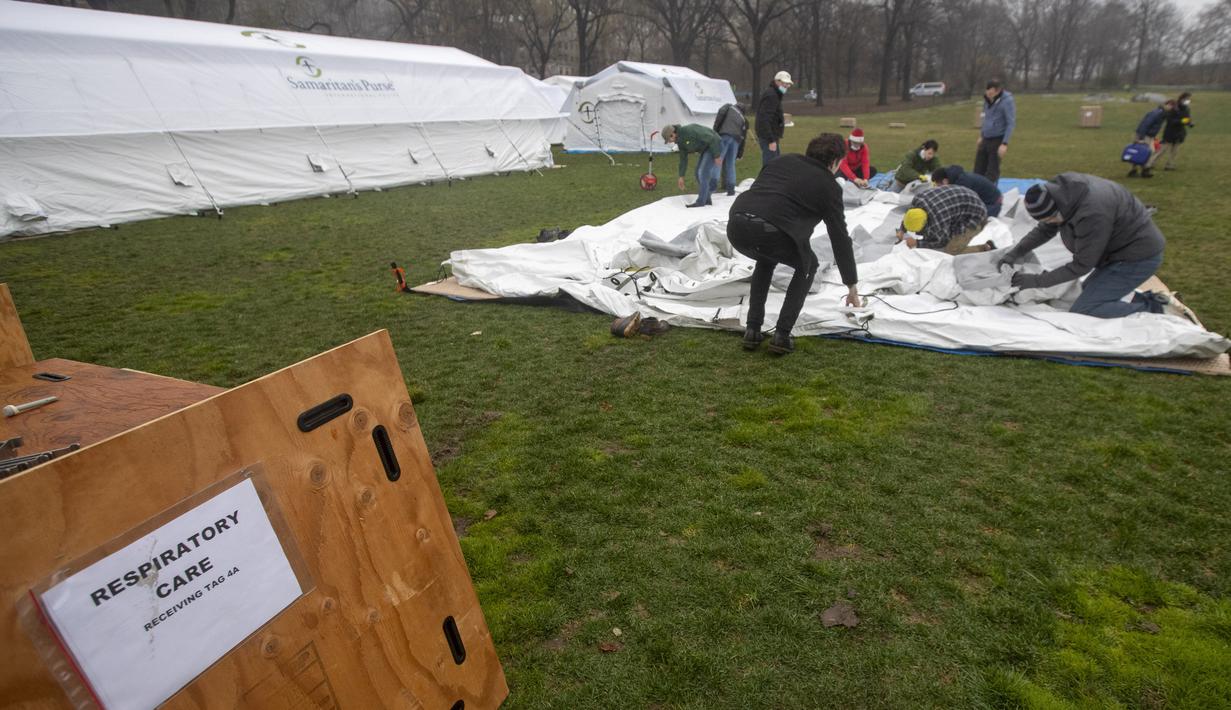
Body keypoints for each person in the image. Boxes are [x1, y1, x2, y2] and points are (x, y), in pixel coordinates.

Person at [727, 133, 861, 355]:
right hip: (772, 230)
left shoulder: (781, 160)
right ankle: (782, 334)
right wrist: (851, 285)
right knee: (808, 264)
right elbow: (839, 238)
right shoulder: (829, 185)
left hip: (737, 225)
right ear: (836, 161)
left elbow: (765, 194)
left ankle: (752, 330)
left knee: (766, 258)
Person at [998, 174, 1178, 319]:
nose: (1050, 223)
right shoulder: (1061, 195)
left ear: (1057, 210)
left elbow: (1082, 265)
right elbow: (1045, 230)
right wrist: (1015, 253)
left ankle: (1154, 308)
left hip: (1137, 257)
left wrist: (1035, 281)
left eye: (1051, 219)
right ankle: (1145, 299)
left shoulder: (1093, 213)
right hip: (1117, 253)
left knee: (1087, 308)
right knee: (1084, 294)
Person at [895, 184, 991, 255]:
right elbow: (910, 217)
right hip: (964, 201)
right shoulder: (918, 200)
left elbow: (941, 242)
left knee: (951, 250)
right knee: (931, 235)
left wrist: (918, 243)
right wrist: (902, 230)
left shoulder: (938, 220)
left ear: (925, 223)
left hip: (976, 216)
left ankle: (985, 248)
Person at [661, 123, 723, 208]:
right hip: (705, 149)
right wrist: (681, 176)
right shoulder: (680, 142)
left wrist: (716, 155)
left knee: (703, 173)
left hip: (714, 145)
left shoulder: (689, 130)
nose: (669, 142)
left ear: (672, 134)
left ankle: (701, 202)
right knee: (698, 173)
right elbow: (683, 159)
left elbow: (711, 138)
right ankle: (707, 199)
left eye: (668, 140)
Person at [974, 79, 1016, 183]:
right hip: (986, 138)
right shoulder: (986, 100)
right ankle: (976, 193)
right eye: (987, 92)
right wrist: (982, 135)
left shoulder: (1007, 102)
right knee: (978, 169)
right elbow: (985, 118)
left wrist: (1004, 143)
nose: (989, 95)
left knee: (992, 171)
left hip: (998, 138)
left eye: (991, 93)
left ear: (998, 91)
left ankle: (990, 194)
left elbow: (1010, 123)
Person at [930, 165, 1002, 217]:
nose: (938, 188)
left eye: (938, 185)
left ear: (945, 181)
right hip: (990, 200)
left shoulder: (962, 185)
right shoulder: (957, 178)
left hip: (992, 205)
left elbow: (961, 206)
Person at [1147, 92, 1194, 172]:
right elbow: (1170, 120)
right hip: (1170, 132)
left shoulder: (1186, 108)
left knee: (1175, 150)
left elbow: (1187, 118)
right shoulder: (1174, 107)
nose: (1188, 100)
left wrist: (1189, 123)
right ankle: (1150, 163)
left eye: (1189, 99)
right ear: (1182, 98)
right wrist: (1181, 121)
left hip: (1180, 132)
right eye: (1187, 99)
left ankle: (1170, 165)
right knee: (1162, 149)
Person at [755, 70, 792, 167]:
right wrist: (771, 140)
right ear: (777, 81)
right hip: (768, 137)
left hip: (772, 136)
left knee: (775, 163)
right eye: (785, 83)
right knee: (771, 165)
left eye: (788, 84)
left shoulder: (775, 94)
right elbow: (764, 118)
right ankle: (767, 182)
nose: (787, 86)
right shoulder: (772, 95)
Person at [1129, 100, 1173, 178]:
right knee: (1143, 152)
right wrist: (1141, 138)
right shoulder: (1157, 113)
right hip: (1144, 135)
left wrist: (1153, 136)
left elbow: (1154, 126)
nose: (1170, 108)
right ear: (1166, 104)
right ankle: (1139, 171)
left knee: (1145, 152)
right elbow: (1145, 124)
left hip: (1149, 135)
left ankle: (1142, 170)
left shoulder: (1162, 114)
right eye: (1170, 105)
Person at [713, 103, 748, 196]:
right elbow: (743, 138)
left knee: (718, 161)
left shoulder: (728, 107)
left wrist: (714, 133)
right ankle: (731, 189)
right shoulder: (744, 119)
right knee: (730, 164)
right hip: (736, 141)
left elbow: (719, 119)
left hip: (724, 135)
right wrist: (740, 153)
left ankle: (712, 186)